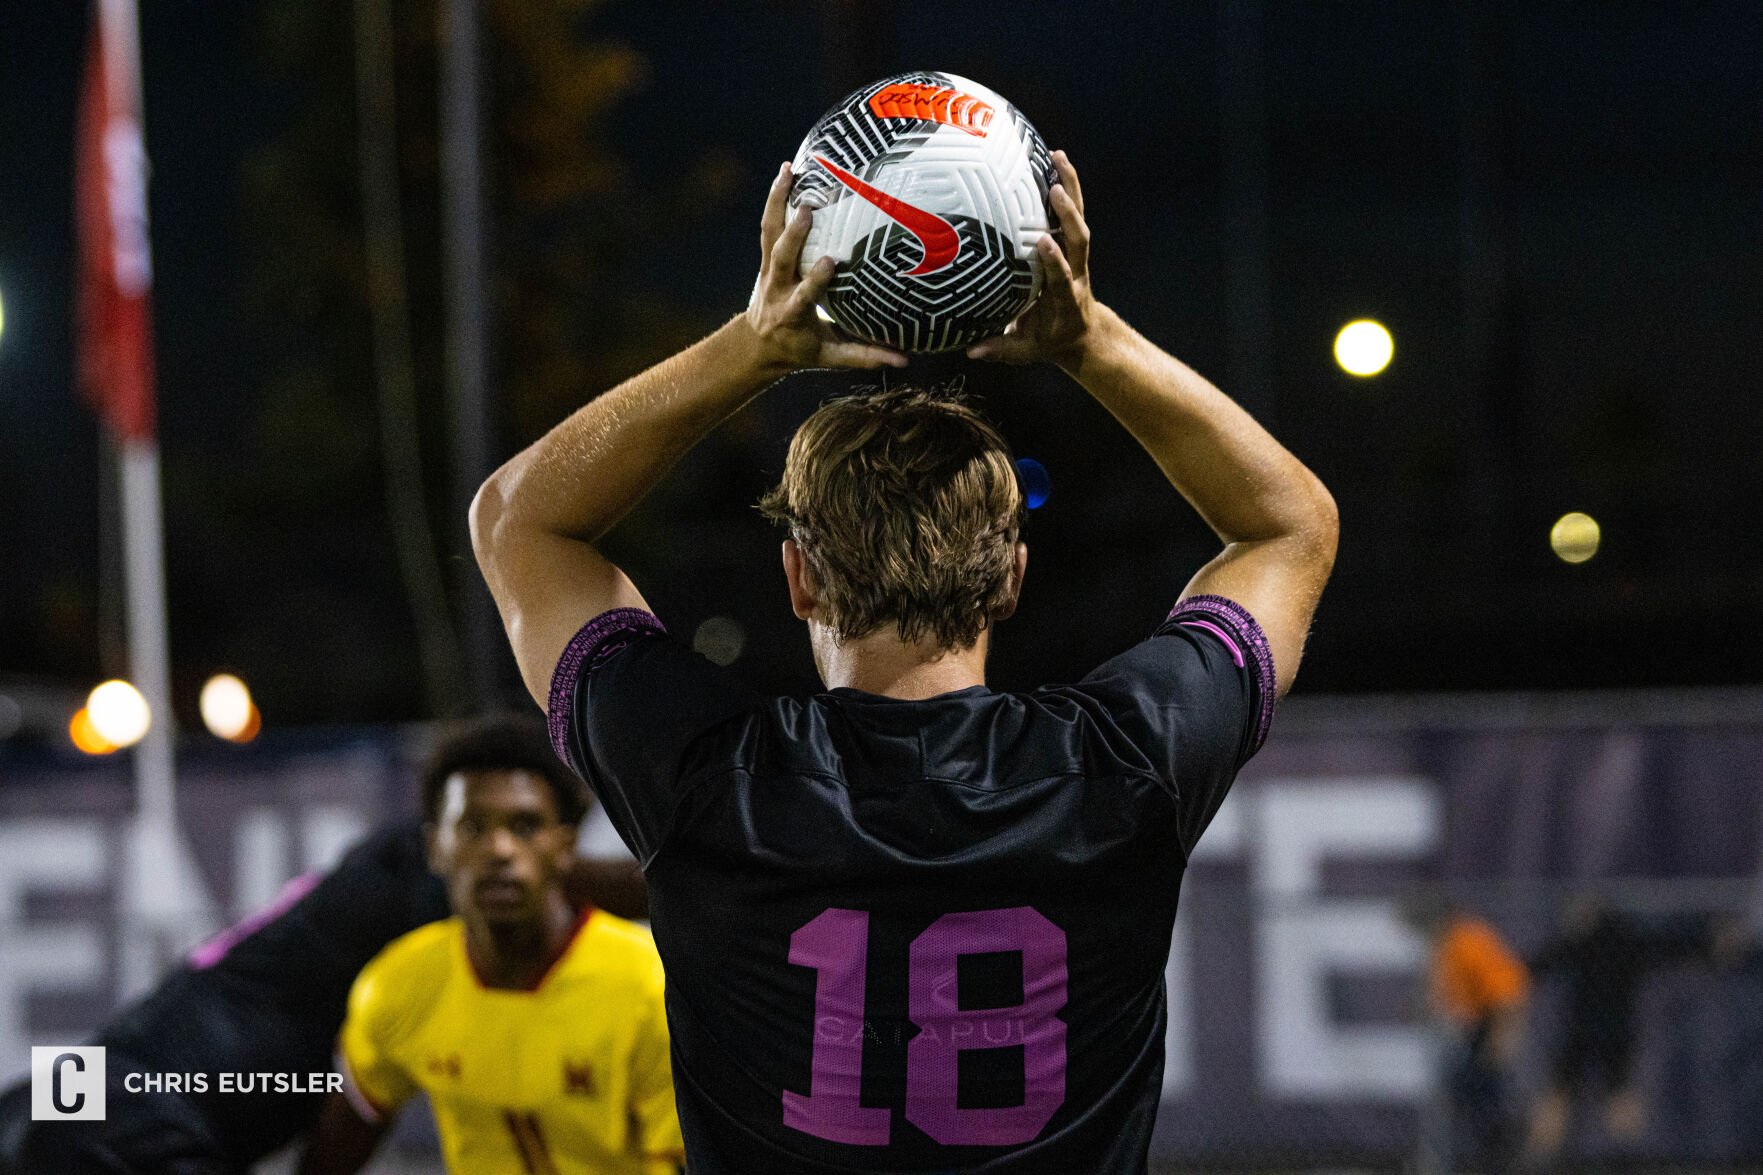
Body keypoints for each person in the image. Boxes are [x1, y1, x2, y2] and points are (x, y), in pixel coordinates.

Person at [471, 152, 1337, 1172]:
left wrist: (753, 347)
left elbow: (519, 521)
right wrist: (1088, 339)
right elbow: (1289, 527)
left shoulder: (706, 775)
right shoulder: (1123, 761)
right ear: (1010, 576)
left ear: (796, 578)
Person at [0, 722, 647, 1175]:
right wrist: (723, 893)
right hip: (132, 1121)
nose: (503, 849)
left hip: (63, 1092)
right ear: (440, 840)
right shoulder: (421, 877)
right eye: (480, 826)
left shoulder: (381, 879)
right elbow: (578, 882)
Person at [299, 716, 683, 1175]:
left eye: (524, 826)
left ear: (565, 847)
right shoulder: (397, 985)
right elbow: (336, 1145)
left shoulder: (647, 988)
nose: (500, 849)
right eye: (472, 827)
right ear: (435, 848)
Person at [1522, 895, 1716, 1166]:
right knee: (1616, 1095)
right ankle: (1628, 1158)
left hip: (1583, 1031)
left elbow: (1540, 963)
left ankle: (1538, 1159)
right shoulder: (1628, 940)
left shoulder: (1583, 941)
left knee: (1564, 1094)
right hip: (1616, 1032)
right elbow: (1668, 948)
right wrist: (1708, 944)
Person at [1405, 896, 1530, 1173]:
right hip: (1472, 1030)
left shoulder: (1469, 940)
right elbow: (1444, 994)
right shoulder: (1448, 944)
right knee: (1467, 1095)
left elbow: (1507, 993)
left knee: (1487, 1098)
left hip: (1490, 1025)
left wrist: (1503, 1033)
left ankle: (1505, 1155)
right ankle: (1489, 1157)